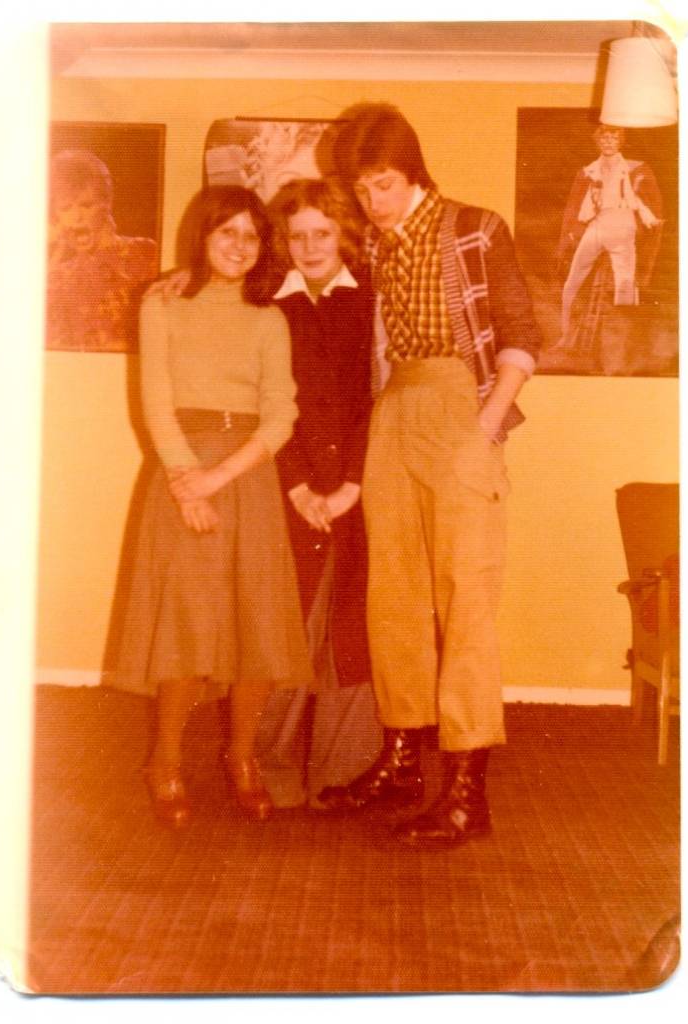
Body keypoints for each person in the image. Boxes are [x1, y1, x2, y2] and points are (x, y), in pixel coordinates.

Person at [316, 103, 542, 847]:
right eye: (362, 191)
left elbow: (520, 336)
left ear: (410, 170)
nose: (374, 203)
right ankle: (403, 759)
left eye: (382, 184)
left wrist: (483, 429)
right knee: (395, 597)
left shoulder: (476, 227)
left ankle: (467, 793)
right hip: (397, 411)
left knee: (465, 599)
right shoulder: (377, 249)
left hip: (460, 408)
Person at [113, 185, 312, 828]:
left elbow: (281, 414)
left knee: (258, 625)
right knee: (187, 624)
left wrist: (219, 478)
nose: (239, 247)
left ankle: (242, 757)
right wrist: (184, 479)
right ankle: (164, 761)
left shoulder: (269, 318)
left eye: (251, 236)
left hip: (246, 475)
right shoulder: (163, 301)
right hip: (181, 470)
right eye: (226, 232)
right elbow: (155, 398)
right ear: (201, 236)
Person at [254, 178, 383, 808]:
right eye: (297, 235)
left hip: (360, 490)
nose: (309, 246)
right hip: (290, 487)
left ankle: (340, 770)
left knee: (351, 627)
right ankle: (270, 765)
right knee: (288, 625)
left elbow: (376, 401)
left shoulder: (373, 304)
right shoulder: (267, 307)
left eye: (322, 233)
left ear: (343, 236)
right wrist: (301, 487)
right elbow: (268, 407)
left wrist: (351, 487)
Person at [555, 123, 663, 347]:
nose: (608, 142)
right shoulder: (589, 170)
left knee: (625, 284)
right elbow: (576, 206)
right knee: (571, 283)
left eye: (613, 139)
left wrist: (647, 218)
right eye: (604, 138)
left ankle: (622, 345)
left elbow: (645, 200)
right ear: (598, 141)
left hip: (623, 226)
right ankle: (565, 337)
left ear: (620, 142)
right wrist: (571, 234)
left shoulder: (635, 168)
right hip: (597, 225)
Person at [46, 149, 159, 351]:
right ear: (56, 216)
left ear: (106, 204)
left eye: (86, 205)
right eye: (65, 208)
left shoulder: (145, 253)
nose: (77, 217)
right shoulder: (56, 276)